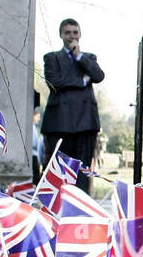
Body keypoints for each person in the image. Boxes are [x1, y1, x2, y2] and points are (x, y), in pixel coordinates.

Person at [41, 18, 104, 193]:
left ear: (80, 35)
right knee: (58, 171)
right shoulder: (51, 58)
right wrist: (82, 81)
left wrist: (79, 57)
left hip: (85, 123)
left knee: (82, 172)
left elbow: (98, 76)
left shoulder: (88, 58)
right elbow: (54, 82)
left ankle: (80, 209)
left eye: (75, 32)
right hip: (59, 124)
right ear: (61, 35)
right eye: (67, 32)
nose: (71, 36)